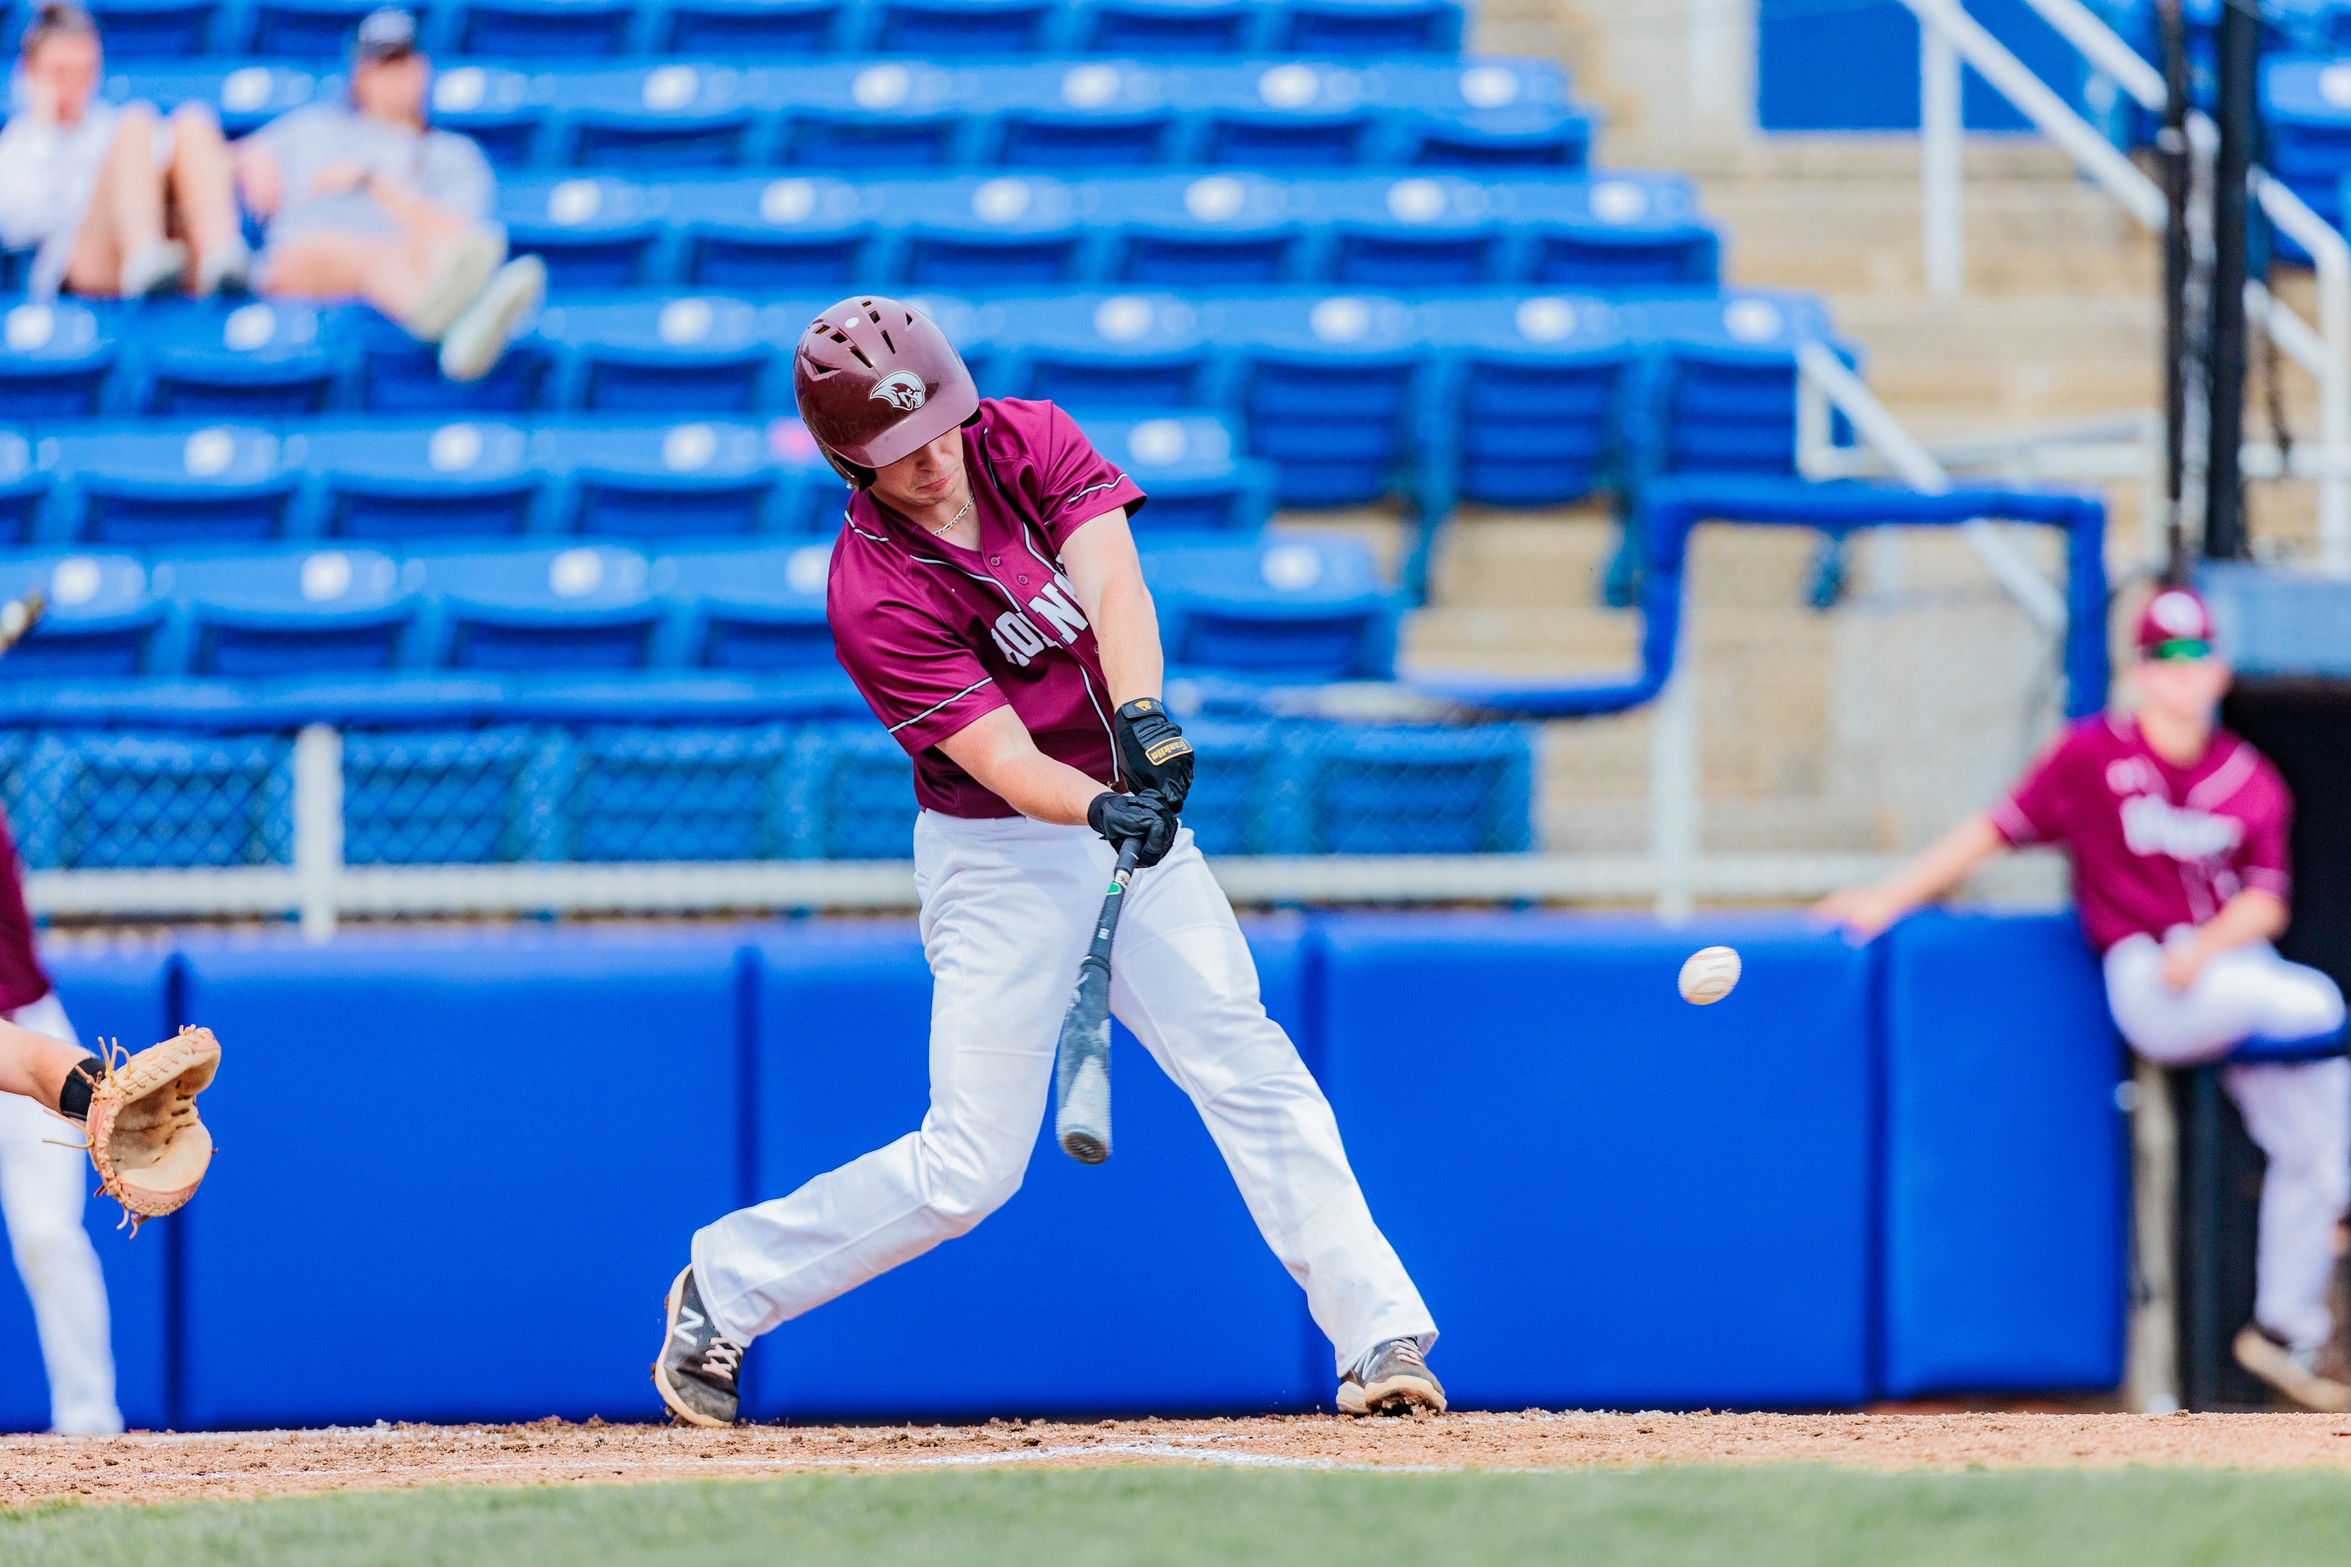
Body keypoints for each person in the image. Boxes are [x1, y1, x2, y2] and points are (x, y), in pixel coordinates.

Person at [652, 295, 1443, 1427]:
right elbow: (1005, 759)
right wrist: (1100, 807)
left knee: (1242, 1056)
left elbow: (1114, 581)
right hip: (998, 857)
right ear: (843, 458)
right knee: (968, 1170)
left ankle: (1377, 1338)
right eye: (892, 451)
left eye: (934, 428)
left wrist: (1143, 722)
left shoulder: (1024, 437)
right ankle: (722, 1285)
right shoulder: (870, 590)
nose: (927, 462)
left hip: (1123, 810)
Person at [1818, 585, 2351, 1413]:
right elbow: (1993, 828)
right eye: (2164, 658)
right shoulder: (2091, 756)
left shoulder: (2248, 776)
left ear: (2216, 671)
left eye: (2195, 656)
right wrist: (1888, 897)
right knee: (2314, 1005)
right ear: (2139, 672)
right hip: (2149, 975)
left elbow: (2263, 902)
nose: (2181, 674)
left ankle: (2288, 1325)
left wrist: (2206, 949)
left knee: (2312, 1143)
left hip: (2227, 973)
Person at [234, 7, 543, 384]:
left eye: (403, 61)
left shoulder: (454, 154)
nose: (394, 76)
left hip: (401, 264)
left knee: (424, 253)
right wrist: (250, 156)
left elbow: (463, 240)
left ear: (423, 69)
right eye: (381, 65)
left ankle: (458, 327)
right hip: (301, 259)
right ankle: (457, 325)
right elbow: (220, 157)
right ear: (358, 76)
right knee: (367, 256)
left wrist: (373, 185)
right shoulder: (312, 127)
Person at [0, 801, 123, 1435]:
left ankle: (89, 1428)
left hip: (19, 1023)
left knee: (48, 1235)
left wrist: (104, 1093)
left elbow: (22, 1059)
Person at [0, 2, 247, 300]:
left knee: (193, 120)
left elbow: (174, 165)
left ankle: (222, 256)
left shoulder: (108, 124)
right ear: (30, 71)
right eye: (60, 73)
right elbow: (20, 228)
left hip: (163, 246)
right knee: (136, 120)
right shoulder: (18, 143)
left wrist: (241, 157)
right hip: (76, 269)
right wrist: (45, 135)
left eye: (84, 72)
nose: (73, 87)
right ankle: (144, 257)